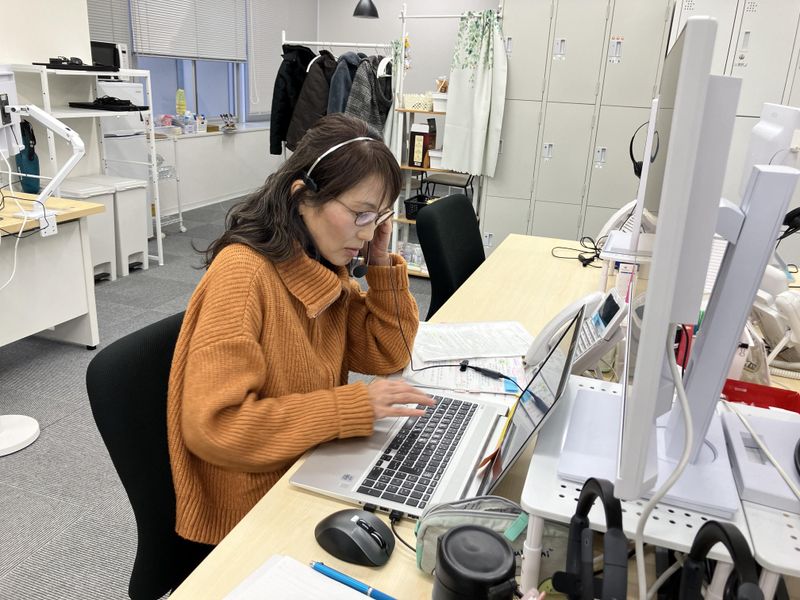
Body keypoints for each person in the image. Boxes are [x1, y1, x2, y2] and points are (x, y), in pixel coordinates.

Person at [166, 114, 433, 545]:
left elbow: (388, 352)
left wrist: (381, 263)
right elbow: (216, 427)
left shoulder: (319, 262)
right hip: (252, 506)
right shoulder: (243, 276)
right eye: (360, 214)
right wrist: (351, 406)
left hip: (307, 462)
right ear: (302, 196)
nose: (368, 233)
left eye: (379, 217)